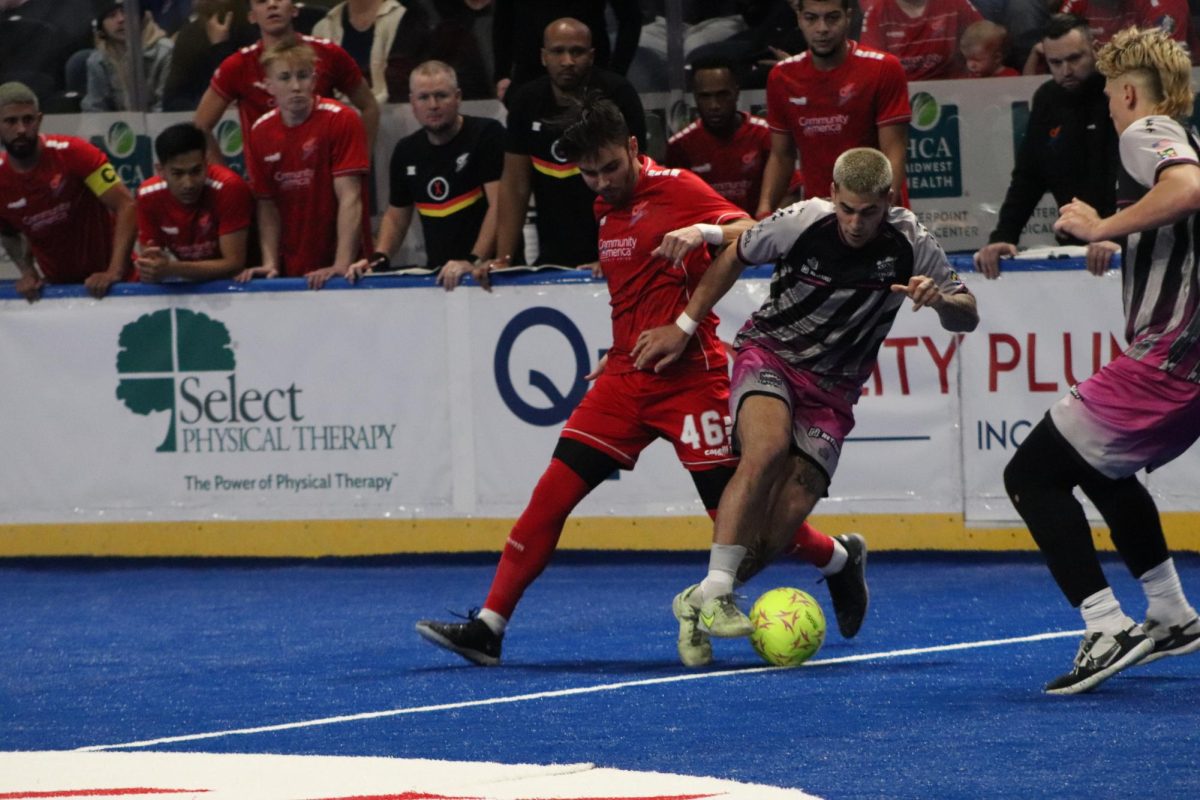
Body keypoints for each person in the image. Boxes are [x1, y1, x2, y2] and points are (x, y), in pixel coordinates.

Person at [415, 97, 867, 668]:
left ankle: (836, 558)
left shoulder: (677, 186)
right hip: (626, 381)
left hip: (691, 380)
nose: (602, 182)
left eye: (610, 167)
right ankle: (489, 627)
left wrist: (698, 250)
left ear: (633, 148)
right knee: (549, 498)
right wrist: (621, 348)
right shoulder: (605, 207)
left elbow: (753, 234)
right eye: (588, 173)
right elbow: (638, 292)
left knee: (742, 523)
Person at [632, 147, 977, 652]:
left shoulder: (912, 242)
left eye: (870, 212)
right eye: (847, 209)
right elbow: (733, 253)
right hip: (771, 354)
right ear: (833, 194)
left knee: (780, 525)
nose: (857, 224)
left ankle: (707, 595)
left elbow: (967, 313)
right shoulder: (801, 221)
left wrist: (942, 300)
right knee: (766, 451)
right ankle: (720, 593)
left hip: (834, 391)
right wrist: (684, 327)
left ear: (888, 200)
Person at [1003, 26, 1200, 695]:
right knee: (1105, 469)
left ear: (1124, 91)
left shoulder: (1145, 132)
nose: (1109, 113)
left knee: (1031, 474)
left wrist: (1102, 228)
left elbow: (1188, 189)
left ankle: (1105, 625)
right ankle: (1172, 613)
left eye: (1110, 100)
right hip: (1188, 365)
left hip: (1167, 358)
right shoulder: (1178, 131)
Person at [475, 17, 646, 283]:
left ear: (591, 56)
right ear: (543, 56)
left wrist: (618, 251)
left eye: (577, 52)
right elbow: (515, 186)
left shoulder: (618, 94)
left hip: (613, 255)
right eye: (558, 51)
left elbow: (640, 180)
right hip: (552, 255)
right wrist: (504, 258)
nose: (568, 61)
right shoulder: (526, 101)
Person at [973, 14, 1117, 279]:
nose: (1066, 70)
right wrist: (1003, 236)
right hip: (1074, 248)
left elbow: (1132, 177)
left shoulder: (1118, 93)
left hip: (1120, 245)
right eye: (1055, 62)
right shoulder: (1047, 99)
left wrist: (1116, 234)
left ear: (1095, 50)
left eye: (1075, 58)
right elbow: (1028, 177)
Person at [356, 60, 503, 290]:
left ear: (458, 97)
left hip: (491, 275)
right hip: (440, 277)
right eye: (424, 97)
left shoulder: (487, 134)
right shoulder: (406, 150)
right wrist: (378, 260)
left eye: (441, 96)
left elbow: (501, 205)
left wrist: (474, 260)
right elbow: (396, 216)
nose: (433, 105)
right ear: (412, 103)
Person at [758, 0, 910, 218]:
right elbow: (782, 156)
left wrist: (882, 213)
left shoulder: (884, 68)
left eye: (832, 17)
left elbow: (893, 152)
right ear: (799, 18)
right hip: (819, 217)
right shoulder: (781, 77)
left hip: (875, 214)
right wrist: (763, 212)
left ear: (848, 16)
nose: (822, 29)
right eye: (811, 18)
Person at [242, 39, 371, 289]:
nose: (295, 86)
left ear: (314, 80)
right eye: (285, 77)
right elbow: (267, 204)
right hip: (293, 270)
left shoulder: (341, 119)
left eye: (302, 76)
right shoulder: (260, 131)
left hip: (349, 270)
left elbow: (350, 197)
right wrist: (270, 263)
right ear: (268, 86)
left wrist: (341, 265)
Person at [194, 0, 379, 166]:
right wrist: (226, 181)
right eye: (262, 1)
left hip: (325, 176)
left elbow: (370, 106)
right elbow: (201, 125)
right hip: (267, 184)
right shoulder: (237, 65)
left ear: (294, 10)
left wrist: (360, 162)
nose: (272, 5)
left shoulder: (329, 53)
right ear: (252, 17)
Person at [0, 81, 136, 302]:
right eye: (10, 121)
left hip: (118, 288)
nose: (21, 129)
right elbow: (7, 233)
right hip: (61, 295)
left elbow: (126, 205)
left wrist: (114, 272)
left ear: (40, 119)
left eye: (28, 119)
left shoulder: (75, 153)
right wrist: (27, 270)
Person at [134, 122, 253, 283]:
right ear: (160, 170)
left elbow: (234, 264)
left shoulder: (229, 187)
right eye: (177, 173)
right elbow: (151, 266)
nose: (188, 183)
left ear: (206, 163)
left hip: (243, 280)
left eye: (196, 171)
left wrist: (171, 269)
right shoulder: (148, 195)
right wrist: (154, 267)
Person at [665, 57, 772, 216]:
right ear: (695, 97)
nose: (714, 105)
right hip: (705, 236)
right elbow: (676, 206)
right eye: (705, 96)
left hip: (761, 232)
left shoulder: (765, 135)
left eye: (722, 95)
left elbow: (789, 191)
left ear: (736, 92)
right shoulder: (680, 145)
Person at [491, 0, 641, 101]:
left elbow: (631, 17)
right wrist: (502, 74)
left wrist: (616, 73)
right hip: (529, 74)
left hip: (591, 79)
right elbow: (503, 19)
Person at [312, 0, 425, 103]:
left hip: (393, 113)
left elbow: (400, 84)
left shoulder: (406, 18)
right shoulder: (323, 27)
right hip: (338, 116)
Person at [83, 0, 175, 112]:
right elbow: (94, 110)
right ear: (101, 27)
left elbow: (165, 108)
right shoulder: (98, 61)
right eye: (111, 15)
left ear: (141, 17)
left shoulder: (165, 52)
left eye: (126, 12)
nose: (121, 19)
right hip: (117, 127)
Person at [859, 0, 983, 80]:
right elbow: (871, 69)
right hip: (900, 95)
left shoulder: (956, 4)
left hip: (955, 91)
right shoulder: (877, 13)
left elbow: (986, 40)